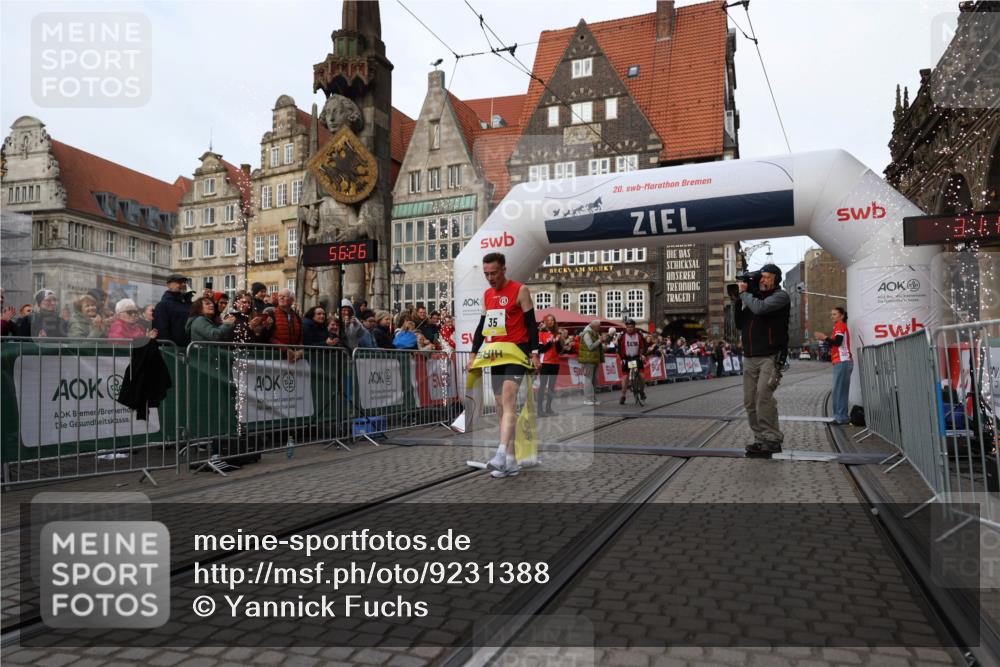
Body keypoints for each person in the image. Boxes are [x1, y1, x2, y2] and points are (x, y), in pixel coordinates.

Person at [466, 252, 540, 478]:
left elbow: (531, 325)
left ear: (504, 269)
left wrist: (535, 354)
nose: (490, 278)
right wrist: (472, 355)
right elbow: (481, 328)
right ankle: (511, 460)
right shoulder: (487, 295)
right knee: (501, 407)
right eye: (487, 274)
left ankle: (499, 454)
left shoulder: (520, 290)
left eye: (494, 273)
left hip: (516, 354)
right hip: (496, 356)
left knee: (508, 400)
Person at [732, 263, 790, 454]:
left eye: (766, 276)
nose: (762, 279)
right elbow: (740, 324)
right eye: (761, 276)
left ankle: (772, 439)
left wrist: (744, 295)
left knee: (763, 397)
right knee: (749, 400)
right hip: (749, 356)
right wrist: (736, 301)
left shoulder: (780, 297)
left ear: (775, 278)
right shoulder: (753, 298)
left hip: (770, 356)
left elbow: (760, 309)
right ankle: (760, 438)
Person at [826, 307, 853, 424]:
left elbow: (837, 342)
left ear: (841, 316)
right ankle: (839, 416)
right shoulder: (838, 326)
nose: (832, 316)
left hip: (843, 361)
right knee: (838, 390)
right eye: (831, 314)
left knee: (839, 390)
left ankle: (841, 417)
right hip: (841, 362)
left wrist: (825, 338)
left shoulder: (840, 325)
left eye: (835, 314)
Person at [153, 274, 193, 347]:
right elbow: (162, 330)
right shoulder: (163, 305)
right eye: (179, 282)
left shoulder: (189, 304)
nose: (183, 284)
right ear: (169, 285)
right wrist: (170, 348)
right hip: (173, 351)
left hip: (189, 349)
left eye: (185, 282)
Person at [536, 314, 561, 417]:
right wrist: (551, 343)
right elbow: (540, 350)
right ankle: (539, 410)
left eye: (552, 320)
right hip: (545, 363)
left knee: (551, 387)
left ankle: (548, 408)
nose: (551, 322)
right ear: (545, 322)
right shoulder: (541, 333)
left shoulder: (556, 333)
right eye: (548, 320)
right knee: (542, 386)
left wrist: (558, 342)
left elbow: (559, 350)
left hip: (555, 363)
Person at [617, 319, 647, 405]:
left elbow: (644, 345)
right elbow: (619, 348)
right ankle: (623, 396)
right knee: (625, 377)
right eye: (628, 327)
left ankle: (642, 391)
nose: (629, 328)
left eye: (631, 327)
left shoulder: (639, 334)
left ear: (634, 327)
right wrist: (622, 358)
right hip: (626, 358)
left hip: (637, 357)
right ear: (626, 327)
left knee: (642, 376)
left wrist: (643, 354)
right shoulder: (622, 335)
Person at [577, 320, 607, 406]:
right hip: (588, 360)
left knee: (594, 380)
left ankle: (593, 398)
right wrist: (599, 341)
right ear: (594, 326)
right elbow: (590, 347)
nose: (600, 328)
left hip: (594, 359)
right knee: (588, 380)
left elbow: (597, 346)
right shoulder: (587, 333)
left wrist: (602, 344)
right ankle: (587, 399)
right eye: (599, 326)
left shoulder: (594, 333)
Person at [270, 289, 304, 360]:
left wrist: (300, 350)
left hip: (294, 356)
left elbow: (300, 337)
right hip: (276, 356)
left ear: (292, 300)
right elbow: (269, 337)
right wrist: (285, 349)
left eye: (284, 296)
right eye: (279, 296)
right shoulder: (272, 314)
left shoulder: (296, 316)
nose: (281, 298)